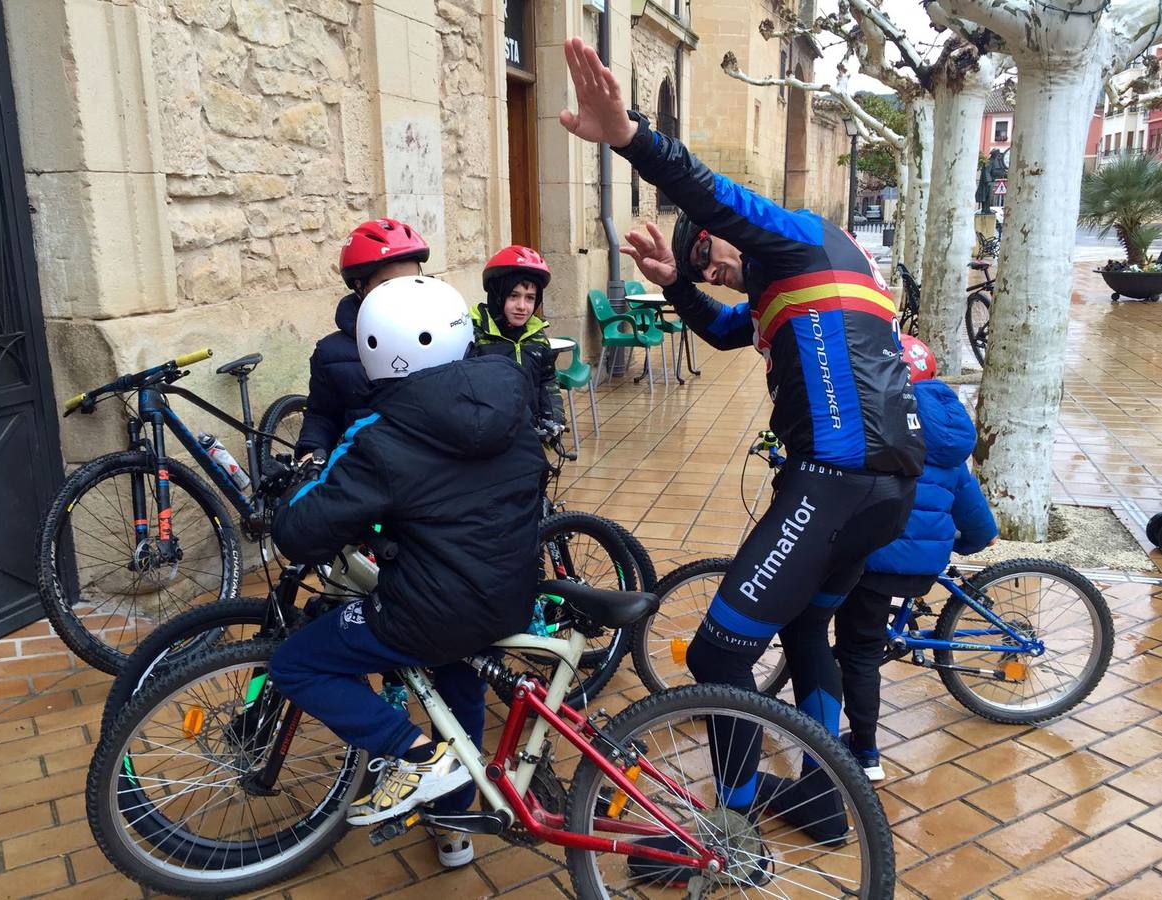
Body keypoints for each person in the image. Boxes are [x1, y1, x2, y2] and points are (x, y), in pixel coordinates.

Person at [559, 36, 924, 846]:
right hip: (884, 488)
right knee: (804, 630)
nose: (712, 268)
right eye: (701, 266)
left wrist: (629, 137)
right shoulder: (797, 279)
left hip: (836, 480)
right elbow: (726, 332)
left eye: (708, 252)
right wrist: (676, 285)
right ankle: (823, 799)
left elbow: (713, 194)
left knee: (717, 654)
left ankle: (727, 826)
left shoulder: (793, 235)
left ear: (732, 233)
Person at [269, 275, 546, 870]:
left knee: (296, 663)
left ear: (375, 349)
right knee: (459, 686)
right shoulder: (512, 396)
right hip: (509, 593)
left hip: (429, 610)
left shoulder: (385, 433)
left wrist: (301, 484)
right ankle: (454, 826)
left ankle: (413, 755)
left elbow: (300, 531)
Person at [835, 335, 998, 781]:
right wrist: (960, 545)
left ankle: (865, 754)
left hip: (876, 565)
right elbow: (980, 529)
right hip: (925, 566)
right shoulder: (949, 447)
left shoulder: (879, 433)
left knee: (859, 652)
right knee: (867, 636)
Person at [294, 218, 431, 462]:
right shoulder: (332, 353)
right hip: (370, 470)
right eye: (388, 285)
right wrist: (311, 451)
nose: (403, 295)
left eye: (412, 282)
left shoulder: (447, 335)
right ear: (361, 287)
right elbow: (323, 414)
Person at [470, 245, 566, 425]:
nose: (522, 306)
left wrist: (553, 420)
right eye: (513, 296)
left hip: (530, 432)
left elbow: (547, 379)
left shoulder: (536, 336)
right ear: (497, 296)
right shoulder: (474, 334)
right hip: (488, 433)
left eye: (530, 298)